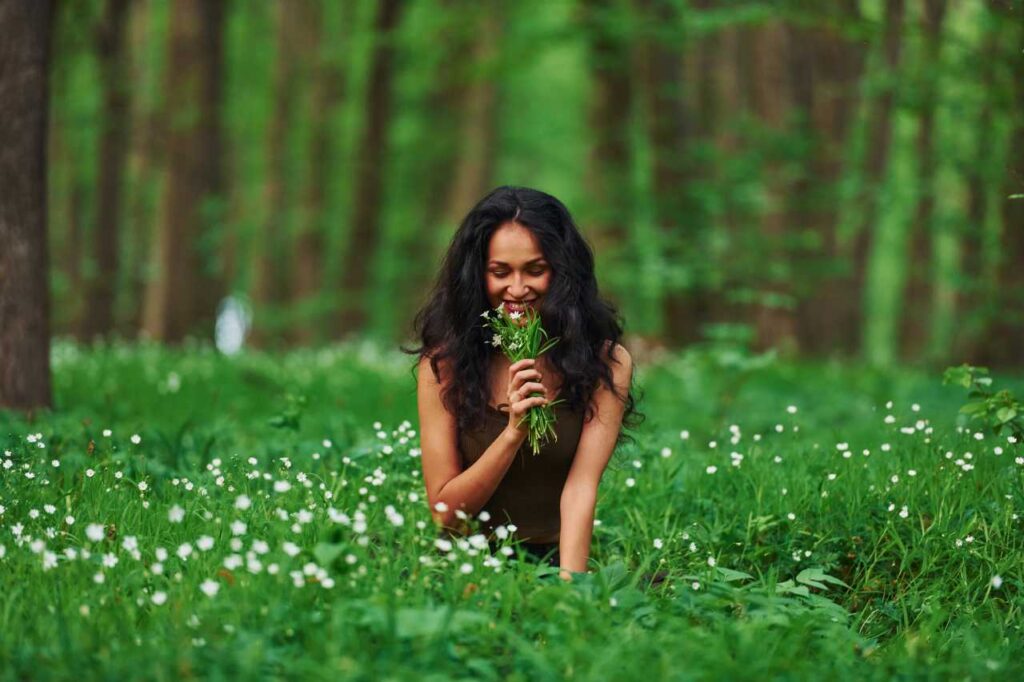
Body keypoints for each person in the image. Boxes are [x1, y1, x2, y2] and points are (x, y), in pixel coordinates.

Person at [403, 186, 643, 582]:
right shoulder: (444, 366)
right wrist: (513, 433)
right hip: (468, 564)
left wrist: (572, 591)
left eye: (535, 270)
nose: (517, 289)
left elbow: (581, 489)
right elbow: (446, 516)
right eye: (500, 272)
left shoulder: (605, 363)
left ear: (563, 272)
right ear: (477, 276)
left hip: (555, 559)